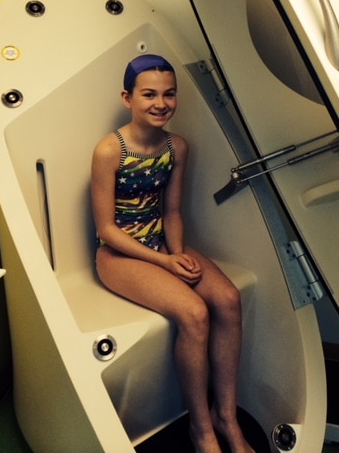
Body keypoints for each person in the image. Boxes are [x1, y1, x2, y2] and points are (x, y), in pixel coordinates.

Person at [91, 54, 254, 453]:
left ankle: (226, 418)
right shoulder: (110, 151)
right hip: (119, 256)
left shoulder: (177, 147)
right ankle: (201, 430)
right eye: (149, 94)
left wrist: (177, 254)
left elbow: (173, 212)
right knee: (195, 313)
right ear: (127, 97)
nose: (160, 103)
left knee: (228, 300)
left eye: (169, 94)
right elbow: (107, 229)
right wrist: (165, 262)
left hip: (163, 245)